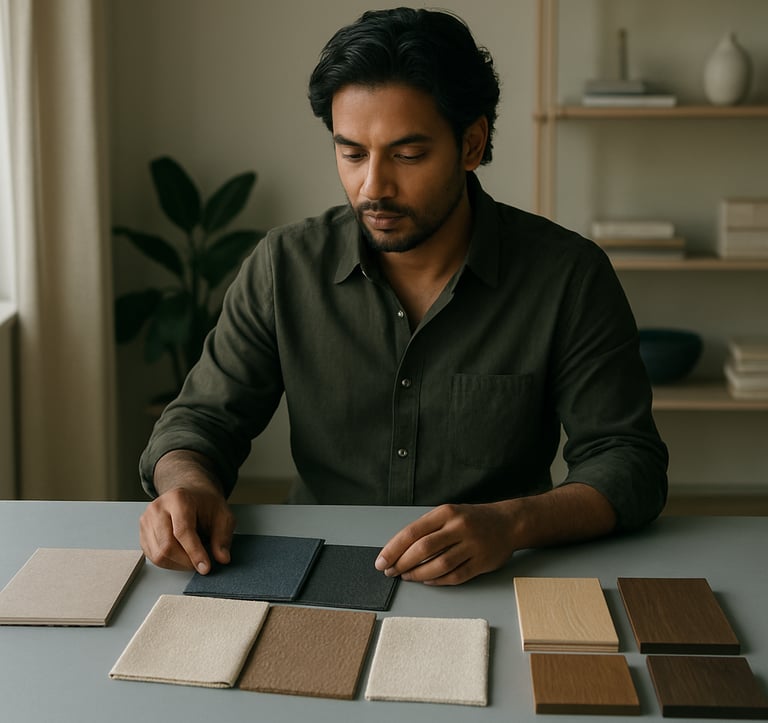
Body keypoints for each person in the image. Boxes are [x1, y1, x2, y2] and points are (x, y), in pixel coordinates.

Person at [138, 7, 668, 586]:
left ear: (471, 143)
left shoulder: (568, 276)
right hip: (318, 570)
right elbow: (199, 422)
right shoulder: (283, 266)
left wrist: (511, 524)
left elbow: (627, 461)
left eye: (408, 155)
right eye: (352, 153)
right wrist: (186, 486)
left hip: (498, 577)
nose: (373, 188)